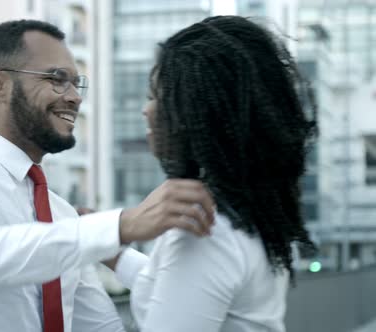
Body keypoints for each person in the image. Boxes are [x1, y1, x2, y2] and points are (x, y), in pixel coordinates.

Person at [0, 19, 215, 332]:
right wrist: (122, 224)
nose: (75, 97)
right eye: (57, 79)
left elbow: (102, 327)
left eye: (76, 83)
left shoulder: (63, 217)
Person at [121, 16, 317, 331]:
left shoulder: (207, 231)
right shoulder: (246, 211)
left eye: (155, 96)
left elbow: (189, 279)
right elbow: (177, 287)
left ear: (194, 113)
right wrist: (107, 247)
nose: (147, 110)